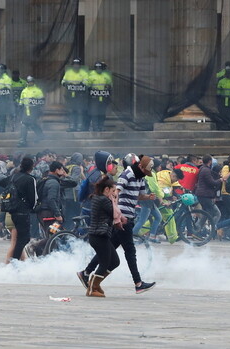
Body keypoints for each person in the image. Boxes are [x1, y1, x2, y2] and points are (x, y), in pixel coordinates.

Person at [78, 156, 157, 294]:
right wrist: (118, 215)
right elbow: (115, 193)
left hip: (128, 217)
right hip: (122, 218)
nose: (146, 174)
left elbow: (139, 195)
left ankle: (86, 272)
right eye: (145, 171)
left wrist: (148, 197)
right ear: (140, 167)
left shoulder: (141, 178)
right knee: (130, 251)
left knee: (110, 248)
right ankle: (138, 283)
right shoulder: (127, 174)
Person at [81, 177, 120, 297]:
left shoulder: (100, 198)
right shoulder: (103, 200)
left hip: (100, 235)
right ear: (106, 189)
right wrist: (115, 200)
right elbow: (115, 213)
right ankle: (92, 288)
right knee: (104, 262)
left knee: (114, 261)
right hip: (99, 235)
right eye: (113, 191)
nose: (114, 194)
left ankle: (95, 284)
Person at [0, 157, 38, 262]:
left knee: (21, 239)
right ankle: (15, 262)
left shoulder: (13, 177)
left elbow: (1, 182)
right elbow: (33, 198)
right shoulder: (30, 179)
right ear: (31, 167)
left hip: (12, 210)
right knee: (23, 239)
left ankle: (16, 261)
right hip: (23, 211)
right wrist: (31, 208)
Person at [61, 58, 89, 132]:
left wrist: (82, 84)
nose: (76, 66)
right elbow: (63, 81)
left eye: (77, 64)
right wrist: (66, 83)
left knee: (80, 111)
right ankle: (72, 126)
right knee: (71, 111)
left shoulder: (83, 73)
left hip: (80, 96)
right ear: (72, 65)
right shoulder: (68, 73)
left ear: (80, 65)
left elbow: (87, 82)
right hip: (70, 95)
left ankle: (80, 127)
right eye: (75, 64)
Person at [195, 154, 223, 226]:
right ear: (210, 161)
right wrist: (220, 180)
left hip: (202, 194)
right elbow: (211, 182)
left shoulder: (202, 169)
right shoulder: (206, 170)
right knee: (217, 213)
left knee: (206, 212)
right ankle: (211, 229)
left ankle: (199, 228)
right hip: (205, 195)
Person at [17, 76, 45, 147]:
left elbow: (42, 101)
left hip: (35, 110)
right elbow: (22, 101)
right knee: (24, 124)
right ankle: (23, 140)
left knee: (32, 124)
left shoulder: (38, 91)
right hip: (26, 110)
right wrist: (20, 107)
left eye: (31, 82)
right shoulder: (24, 91)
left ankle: (40, 134)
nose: (30, 83)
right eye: (29, 82)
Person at [86, 62, 112, 131]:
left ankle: (101, 126)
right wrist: (90, 88)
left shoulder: (106, 76)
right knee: (94, 113)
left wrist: (108, 87)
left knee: (102, 113)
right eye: (97, 68)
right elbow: (87, 85)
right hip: (94, 98)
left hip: (103, 97)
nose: (98, 70)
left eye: (100, 68)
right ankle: (95, 127)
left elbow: (110, 85)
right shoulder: (91, 76)